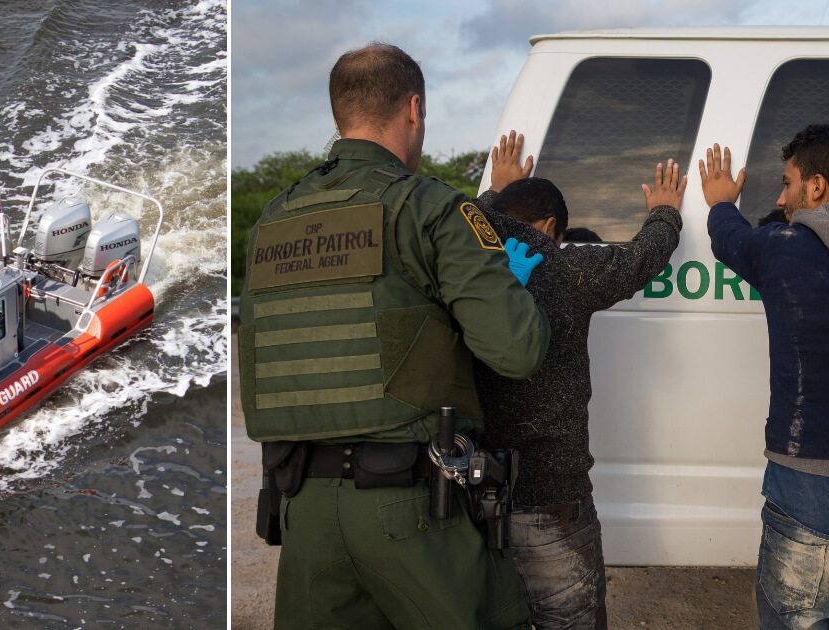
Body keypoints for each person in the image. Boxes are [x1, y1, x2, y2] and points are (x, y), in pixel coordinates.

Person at [238, 43, 550, 629]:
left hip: (304, 511)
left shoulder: (272, 222)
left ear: (340, 115)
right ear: (413, 109)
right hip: (411, 511)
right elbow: (518, 349)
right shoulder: (431, 209)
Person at [471, 131, 685, 629]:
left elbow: (455, 225)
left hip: (474, 501)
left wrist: (491, 195)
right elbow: (639, 261)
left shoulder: (465, 269)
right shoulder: (564, 269)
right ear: (549, 227)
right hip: (553, 503)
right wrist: (665, 211)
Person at [702, 126, 829, 628]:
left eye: (787, 182)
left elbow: (729, 238)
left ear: (816, 188)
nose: (780, 198)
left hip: (807, 477)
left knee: (796, 616)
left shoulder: (784, 245)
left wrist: (719, 201)